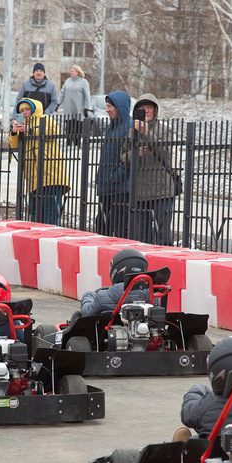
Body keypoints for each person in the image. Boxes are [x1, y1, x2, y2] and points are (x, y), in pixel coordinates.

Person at [123, 93, 180, 246]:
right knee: (140, 236)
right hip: (140, 192)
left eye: (149, 108)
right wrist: (134, 153)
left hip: (162, 191)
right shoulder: (130, 132)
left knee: (163, 235)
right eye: (142, 108)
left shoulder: (165, 130)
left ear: (155, 110)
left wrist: (147, 133)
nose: (146, 111)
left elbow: (166, 153)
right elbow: (123, 158)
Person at [9, 98, 70, 225]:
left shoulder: (45, 119)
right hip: (33, 177)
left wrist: (29, 130)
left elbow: (52, 133)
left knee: (50, 212)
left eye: (27, 109)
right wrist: (14, 132)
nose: (25, 112)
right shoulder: (22, 125)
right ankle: (35, 240)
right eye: (21, 110)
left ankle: (50, 238)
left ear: (34, 108)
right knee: (36, 213)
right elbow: (15, 146)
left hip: (51, 174)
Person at [95, 90, 133, 238]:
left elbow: (129, 157)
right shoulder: (112, 126)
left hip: (120, 189)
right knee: (102, 228)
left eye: (110, 106)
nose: (107, 110)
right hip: (107, 187)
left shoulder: (128, 126)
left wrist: (116, 176)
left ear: (120, 106)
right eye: (106, 106)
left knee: (119, 230)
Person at [79, 248, 150, 317]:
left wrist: (88, 295)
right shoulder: (153, 297)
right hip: (144, 327)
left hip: (114, 325)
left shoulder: (104, 296)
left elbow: (87, 312)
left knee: (77, 316)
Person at [59, 64, 92, 146]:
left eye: (72, 71)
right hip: (68, 108)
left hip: (78, 109)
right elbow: (62, 93)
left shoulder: (83, 82)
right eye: (70, 71)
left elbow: (87, 95)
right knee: (69, 127)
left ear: (77, 72)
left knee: (78, 126)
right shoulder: (68, 81)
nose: (70, 72)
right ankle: (69, 143)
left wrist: (86, 107)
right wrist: (58, 103)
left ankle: (77, 143)